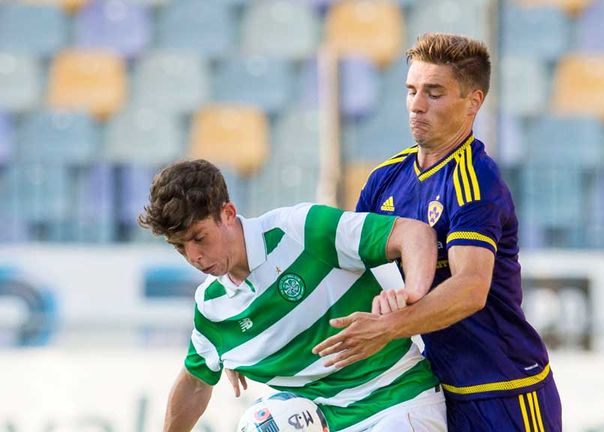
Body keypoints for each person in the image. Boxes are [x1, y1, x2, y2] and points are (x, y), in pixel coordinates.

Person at [311, 33, 563, 431]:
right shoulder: (385, 178)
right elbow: (343, 270)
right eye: (411, 90)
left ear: (473, 102)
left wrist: (386, 328)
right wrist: (256, 344)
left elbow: (470, 289)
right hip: (432, 390)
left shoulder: (476, 182)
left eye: (434, 93)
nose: (416, 105)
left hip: (506, 389)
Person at [138, 159, 447, 432]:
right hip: (322, 421)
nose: (193, 256)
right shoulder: (212, 307)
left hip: (396, 404)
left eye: (199, 238)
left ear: (228, 213)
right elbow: (195, 382)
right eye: (180, 246)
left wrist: (411, 297)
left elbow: (414, 233)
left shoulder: (300, 230)